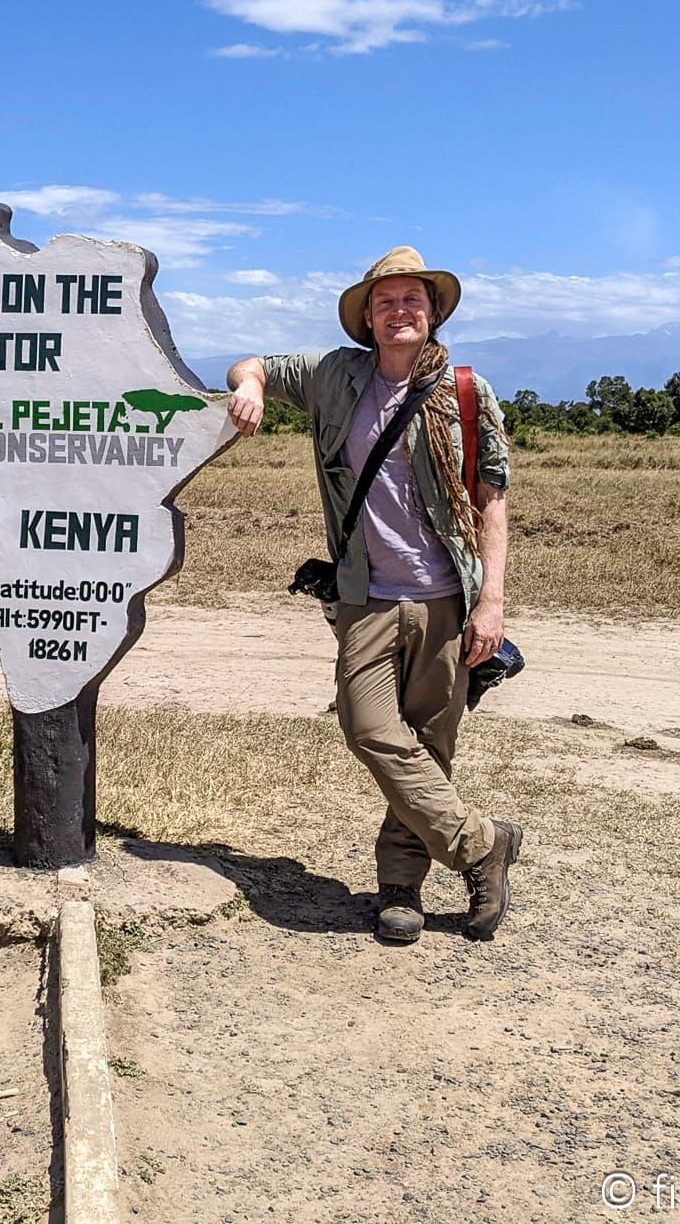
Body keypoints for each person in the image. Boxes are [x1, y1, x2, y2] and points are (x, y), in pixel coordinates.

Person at [225, 247, 522, 945]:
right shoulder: (335, 375)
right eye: (384, 301)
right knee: (370, 730)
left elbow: (493, 504)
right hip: (366, 595)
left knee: (429, 744)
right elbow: (252, 364)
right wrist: (253, 389)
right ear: (366, 316)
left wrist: (492, 603)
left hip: (450, 596)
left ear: (433, 310)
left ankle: (401, 889)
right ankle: (482, 845)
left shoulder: (468, 393)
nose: (399, 311)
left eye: (412, 299)